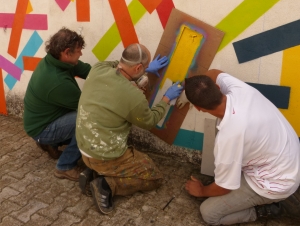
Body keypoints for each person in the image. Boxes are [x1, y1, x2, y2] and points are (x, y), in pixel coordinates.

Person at [76, 43, 183, 214]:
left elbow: (117, 65)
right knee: (154, 176)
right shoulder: (133, 95)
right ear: (139, 67)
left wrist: (146, 71)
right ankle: (107, 185)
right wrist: (165, 99)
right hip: (105, 155)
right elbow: (149, 121)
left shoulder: (98, 68)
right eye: (146, 67)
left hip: (83, 146)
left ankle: (93, 171)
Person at [183, 69, 300, 225]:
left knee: (209, 213)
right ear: (217, 88)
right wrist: (195, 84)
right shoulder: (239, 89)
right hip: (288, 158)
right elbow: (213, 72)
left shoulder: (229, 138)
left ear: (198, 108)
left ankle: (268, 209)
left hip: (275, 183)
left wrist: (201, 191)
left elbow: (223, 188)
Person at [23, 27, 91, 181]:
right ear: (67, 52)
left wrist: (118, 72)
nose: (81, 54)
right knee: (87, 121)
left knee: (81, 118)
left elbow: (89, 71)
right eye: (78, 51)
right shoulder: (57, 81)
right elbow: (87, 108)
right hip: (41, 129)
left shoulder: (55, 61)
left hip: (41, 120)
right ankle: (65, 166)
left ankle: (51, 144)